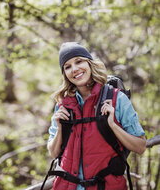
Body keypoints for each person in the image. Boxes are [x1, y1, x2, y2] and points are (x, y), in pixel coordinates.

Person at [47, 42, 146, 190]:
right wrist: (60, 128)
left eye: (79, 61)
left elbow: (140, 147)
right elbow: (54, 153)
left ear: (90, 63)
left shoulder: (117, 99)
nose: (74, 69)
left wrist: (112, 125)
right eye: (67, 66)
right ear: (65, 74)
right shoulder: (63, 105)